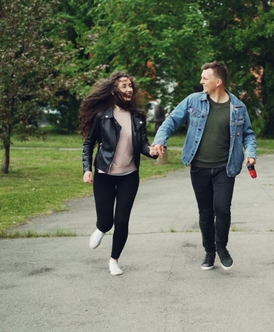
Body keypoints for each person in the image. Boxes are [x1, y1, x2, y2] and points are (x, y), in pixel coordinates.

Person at [151, 62, 257, 270]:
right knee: (206, 212)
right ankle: (209, 252)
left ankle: (222, 247)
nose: (201, 81)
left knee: (222, 209)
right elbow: (171, 121)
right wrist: (159, 140)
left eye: (204, 78)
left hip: (225, 168)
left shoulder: (237, 107)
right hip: (199, 167)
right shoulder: (193, 101)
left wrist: (250, 154)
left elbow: (248, 134)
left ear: (218, 82)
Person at [80, 71, 156, 276]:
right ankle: (101, 228)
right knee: (107, 221)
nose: (129, 89)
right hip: (104, 175)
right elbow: (89, 143)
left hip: (129, 176)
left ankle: (114, 260)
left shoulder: (138, 117)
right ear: (114, 90)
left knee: (122, 220)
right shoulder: (102, 116)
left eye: (130, 86)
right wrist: (87, 169)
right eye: (124, 86)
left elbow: (143, 146)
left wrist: (153, 151)